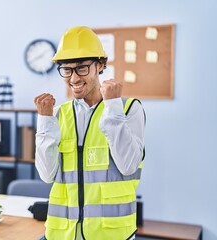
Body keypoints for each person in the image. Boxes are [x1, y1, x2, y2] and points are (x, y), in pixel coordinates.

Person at [34, 26, 145, 240]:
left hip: (110, 235)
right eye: (67, 69)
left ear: (101, 65)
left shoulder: (129, 109)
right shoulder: (57, 115)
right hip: (63, 234)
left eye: (82, 68)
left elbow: (128, 166)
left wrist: (112, 107)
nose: (73, 78)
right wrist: (44, 122)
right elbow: (47, 175)